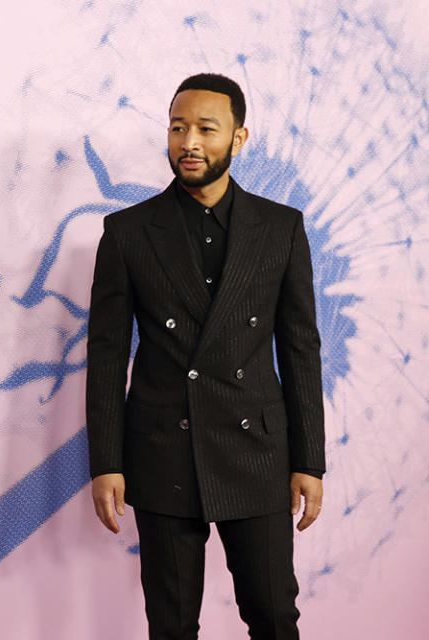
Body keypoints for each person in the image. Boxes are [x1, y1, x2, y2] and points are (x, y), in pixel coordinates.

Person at [86, 73, 324, 640]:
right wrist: (106, 461)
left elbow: (300, 347)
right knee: (170, 625)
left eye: (205, 130)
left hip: (257, 451)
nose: (188, 142)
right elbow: (107, 355)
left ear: (239, 139)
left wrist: (309, 459)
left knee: (272, 616)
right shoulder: (127, 232)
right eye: (177, 127)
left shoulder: (281, 228)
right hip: (164, 447)